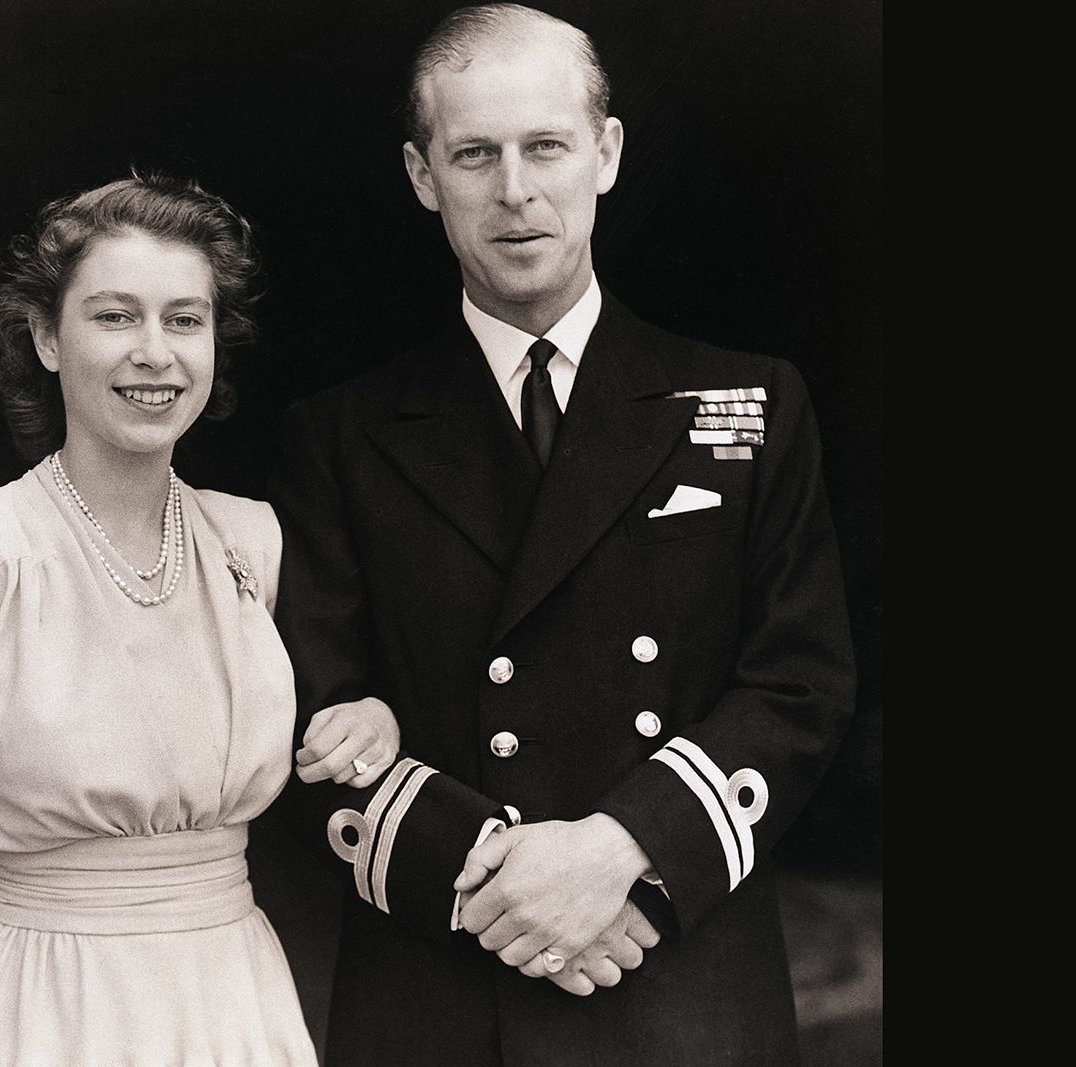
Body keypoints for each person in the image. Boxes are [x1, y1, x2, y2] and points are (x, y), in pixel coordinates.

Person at [269, 5, 857, 1064]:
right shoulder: (342, 435)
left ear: (606, 153)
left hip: (676, 968)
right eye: (473, 154)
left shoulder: (750, 402)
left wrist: (623, 851)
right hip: (439, 984)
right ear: (420, 174)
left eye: (545, 145)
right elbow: (303, 714)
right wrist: (509, 881)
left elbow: (799, 682)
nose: (515, 190)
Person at [0, 173, 401, 1067]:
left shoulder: (256, 541)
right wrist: (40, 931)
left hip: (233, 1000)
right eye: (114, 316)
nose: (155, 353)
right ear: (48, 337)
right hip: (40, 1006)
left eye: (184, 319)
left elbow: (340, 722)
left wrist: (372, 716)